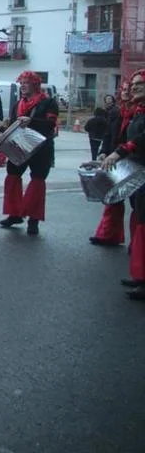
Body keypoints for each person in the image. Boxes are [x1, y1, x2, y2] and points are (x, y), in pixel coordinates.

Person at [99, 70, 145, 300]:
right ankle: (140, 276)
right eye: (132, 84)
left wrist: (120, 152)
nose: (134, 88)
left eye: (139, 84)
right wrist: (108, 152)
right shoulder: (138, 112)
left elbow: (140, 140)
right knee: (142, 219)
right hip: (138, 171)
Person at [0, 71, 58, 235]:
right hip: (19, 146)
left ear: (35, 85)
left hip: (42, 148)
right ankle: (14, 214)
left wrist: (32, 121)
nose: (22, 86)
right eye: (21, 83)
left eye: (26, 83)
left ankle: (33, 219)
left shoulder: (48, 103)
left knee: (37, 180)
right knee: (12, 176)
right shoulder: (17, 104)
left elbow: (50, 124)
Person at [93, 81, 132, 246]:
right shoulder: (116, 112)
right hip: (115, 157)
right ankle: (108, 234)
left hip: (134, 159)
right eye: (124, 89)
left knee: (137, 203)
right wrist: (103, 151)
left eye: (129, 89)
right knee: (114, 196)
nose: (126, 92)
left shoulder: (139, 112)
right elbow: (108, 134)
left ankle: (137, 243)